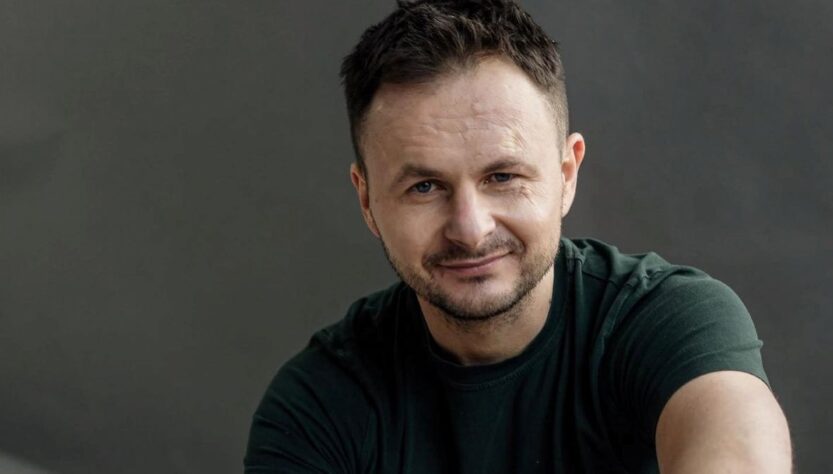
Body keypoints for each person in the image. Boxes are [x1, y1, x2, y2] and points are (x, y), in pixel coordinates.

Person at [244, 1, 792, 472]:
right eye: (425, 187)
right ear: (367, 200)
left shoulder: (670, 323)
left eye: (503, 177)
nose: (470, 228)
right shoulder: (317, 404)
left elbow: (740, 449)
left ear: (566, 175)